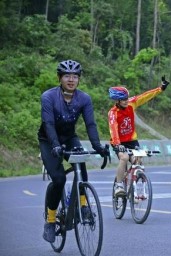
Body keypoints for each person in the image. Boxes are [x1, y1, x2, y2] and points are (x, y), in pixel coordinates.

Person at [38, 59, 109, 243]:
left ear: (79, 79)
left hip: (69, 138)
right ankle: (50, 220)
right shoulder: (48, 96)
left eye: (75, 76)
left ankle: (84, 206)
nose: (71, 79)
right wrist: (54, 145)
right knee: (59, 179)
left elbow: (90, 124)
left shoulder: (84, 98)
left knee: (81, 164)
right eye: (67, 76)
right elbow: (49, 123)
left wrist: (97, 146)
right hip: (48, 140)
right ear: (60, 78)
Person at [108, 76, 170, 196]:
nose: (126, 101)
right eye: (123, 100)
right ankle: (119, 185)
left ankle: (135, 188)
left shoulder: (132, 103)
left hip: (132, 141)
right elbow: (113, 129)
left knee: (138, 160)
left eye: (126, 98)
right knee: (125, 158)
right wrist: (118, 144)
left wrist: (161, 89)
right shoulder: (113, 113)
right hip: (118, 142)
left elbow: (146, 96)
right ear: (117, 101)